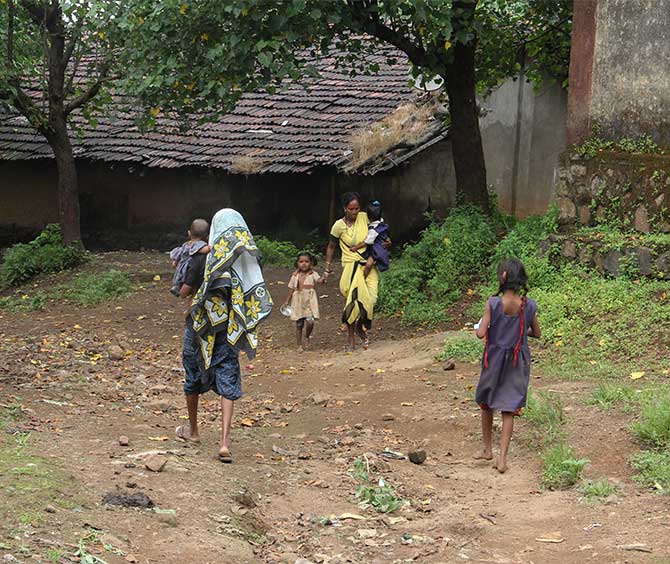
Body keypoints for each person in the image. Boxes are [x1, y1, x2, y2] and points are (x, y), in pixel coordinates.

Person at [175, 208, 272, 463]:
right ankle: (224, 443)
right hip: (230, 329)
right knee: (228, 377)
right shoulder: (247, 259)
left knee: (192, 373)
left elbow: (184, 292)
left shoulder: (203, 258)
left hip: (200, 328)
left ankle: (194, 431)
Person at [474, 258, 541, 474]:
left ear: (503, 277)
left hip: (493, 360)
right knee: (509, 409)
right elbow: (536, 333)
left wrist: (486, 326)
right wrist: (520, 333)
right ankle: (502, 459)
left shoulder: (493, 304)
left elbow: (480, 333)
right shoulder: (529, 305)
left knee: (487, 403)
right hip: (517, 361)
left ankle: (487, 449)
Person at [323, 192, 389, 350]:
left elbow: (380, 233)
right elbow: (331, 246)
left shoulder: (366, 217)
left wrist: (386, 243)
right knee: (352, 302)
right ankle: (351, 339)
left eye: (357, 208)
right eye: (351, 209)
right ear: (345, 208)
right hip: (350, 266)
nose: (354, 212)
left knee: (371, 300)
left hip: (369, 263)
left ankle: (361, 325)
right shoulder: (338, 226)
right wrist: (327, 268)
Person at [282, 252, 322, 350]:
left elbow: (319, 281)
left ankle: (307, 336)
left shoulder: (313, 274)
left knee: (310, 321)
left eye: (306, 261)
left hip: (309, 300)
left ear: (311, 263)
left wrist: (324, 277)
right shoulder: (295, 275)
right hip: (297, 301)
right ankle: (299, 345)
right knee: (299, 324)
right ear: (297, 263)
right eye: (301, 261)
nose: (304, 264)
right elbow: (291, 288)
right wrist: (287, 301)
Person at [168, 219, 211, 296]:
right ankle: (181, 291)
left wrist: (175, 262)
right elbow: (205, 250)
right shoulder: (199, 245)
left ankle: (177, 287)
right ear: (207, 236)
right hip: (188, 269)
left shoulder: (186, 244)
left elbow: (178, 254)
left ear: (189, 233)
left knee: (180, 279)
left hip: (183, 268)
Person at [348, 200, 390, 277]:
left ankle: (363, 278)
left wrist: (355, 248)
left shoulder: (374, 230)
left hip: (376, 249)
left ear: (369, 217)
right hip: (377, 246)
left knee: (368, 265)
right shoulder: (381, 222)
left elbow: (368, 242)